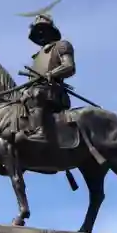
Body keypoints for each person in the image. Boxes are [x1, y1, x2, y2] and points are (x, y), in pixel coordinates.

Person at [21, 14, 76, 144]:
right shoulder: (36, 56)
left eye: (43, 29)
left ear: (51, 31)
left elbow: (69, 66)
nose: (40, 33)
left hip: (53, 92)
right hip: (35, 92)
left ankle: (40, 132)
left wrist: (51, 74)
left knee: (36, 94)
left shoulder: (61, 46)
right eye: (37, 31)